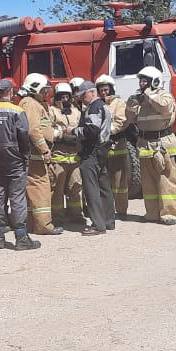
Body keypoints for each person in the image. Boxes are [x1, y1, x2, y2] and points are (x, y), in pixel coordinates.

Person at [0, 78, 40, 250]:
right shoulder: (17, 111)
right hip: (15, 159)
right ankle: (21, 237)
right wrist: (25, 155)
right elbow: (23, 135)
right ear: (11, 92)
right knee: (17, 197)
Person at [126, 66, 176, 224]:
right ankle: (152, 213)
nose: (141, 84)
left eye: (145, 81)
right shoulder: (141, 99)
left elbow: (165, 108)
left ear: (154, 81)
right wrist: (132, 102)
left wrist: (148, 94)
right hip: (145, 144)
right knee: (148, 182)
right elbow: (130, 118)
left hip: (161, 144)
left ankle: (169, 214)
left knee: (165, 180)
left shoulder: (164, 95)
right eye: (141, 81)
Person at [18, 73, 63, 235]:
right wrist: (44, 149)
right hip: (35, 156)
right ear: (34, 88)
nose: (46, 94)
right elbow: (33, 130)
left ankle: (33, 224)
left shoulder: (32, 103)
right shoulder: (31, 104)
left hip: (34, 155)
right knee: (41, 189)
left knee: (33, 189)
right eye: (44, 90)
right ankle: (44, 226)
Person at [74, 81, 116, 235]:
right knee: (104, 187)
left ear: (92, 92)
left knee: (91, 188)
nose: (80, 98)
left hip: (92, 151)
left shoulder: (94, 107)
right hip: (102, 150)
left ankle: (98, 224)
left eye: (82, 95)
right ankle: (108, 221)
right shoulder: (102, 106)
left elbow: (91, 130)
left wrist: (74, 131)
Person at [47, 82, 84, 227]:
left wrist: (77, 136)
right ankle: (57, 217)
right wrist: (61, 135)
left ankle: (75, 215)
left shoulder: (76, 112)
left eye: (67, 96)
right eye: (61, 96)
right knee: (57, 190)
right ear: (56, 97)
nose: (65, 99)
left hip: (74, 157)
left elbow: (82, 128)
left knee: (75, 187)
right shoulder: (51, 111)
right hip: (58, 156)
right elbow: (48, 130)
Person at [95, 74, 132, 217]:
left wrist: (106, 132)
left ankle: (121, 210)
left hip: (116, 146)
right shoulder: (97, 103)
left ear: (111, 89)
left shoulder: (119, 103)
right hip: (100, 147)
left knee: (119, 180)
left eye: (106, 89)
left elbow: (122, 122)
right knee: (103, 180)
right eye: (101, 90)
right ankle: (105, 210)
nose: (104, 92)